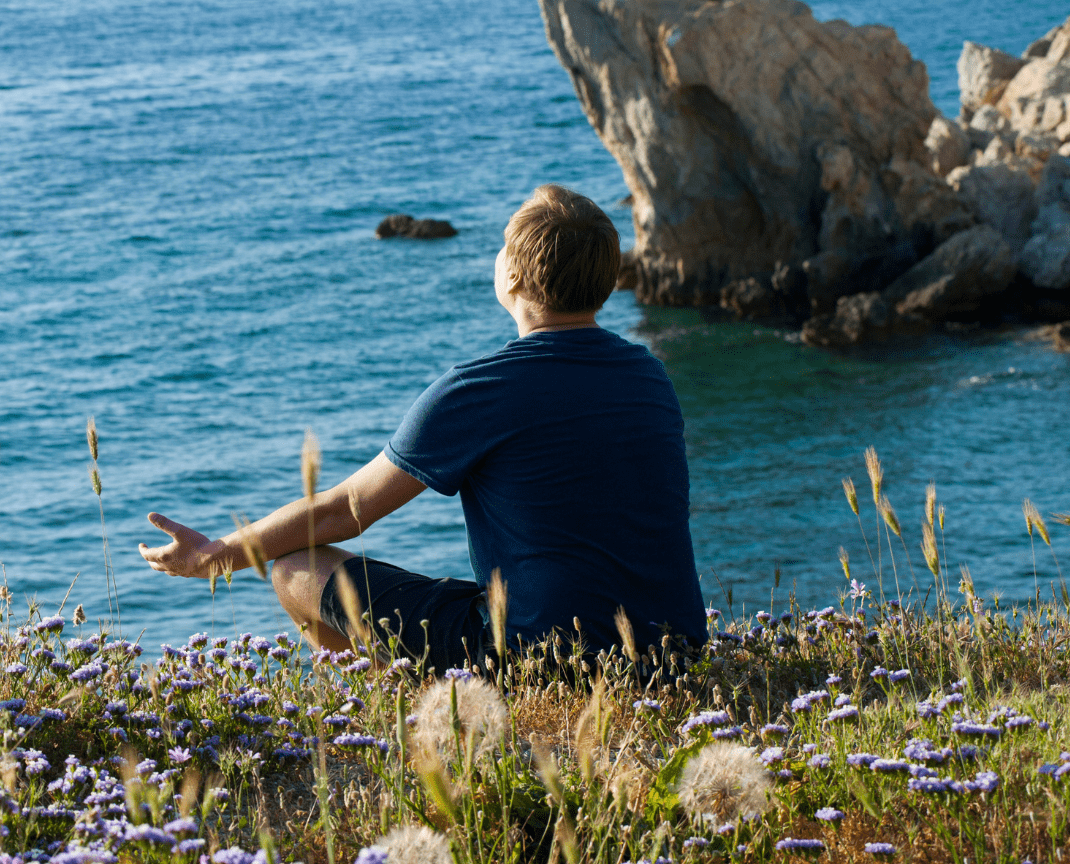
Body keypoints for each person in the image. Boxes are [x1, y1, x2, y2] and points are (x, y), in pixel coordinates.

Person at [138, 184, 707, 672]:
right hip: (673, 653)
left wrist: (214, 554)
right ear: (607, 280)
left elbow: (345, 511)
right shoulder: (649, 376)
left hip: (543, 658)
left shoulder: (482, 389)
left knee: (295, 568)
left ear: (511, 274)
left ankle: (376, 711)